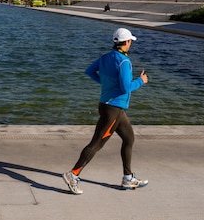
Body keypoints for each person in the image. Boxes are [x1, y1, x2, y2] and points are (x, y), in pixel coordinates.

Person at [63, 27, 149, 194]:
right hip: (113, 109)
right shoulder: (124, 62)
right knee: (96, 144)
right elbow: (126, 88)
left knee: (129, 138)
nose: (131, 43)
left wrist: (105, 83)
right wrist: (141, 81)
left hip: (111, 106)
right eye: (130, 41)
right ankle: (72, 174)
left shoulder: (105, 57)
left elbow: (89, 71)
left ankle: (128, 178)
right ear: (127, 42)